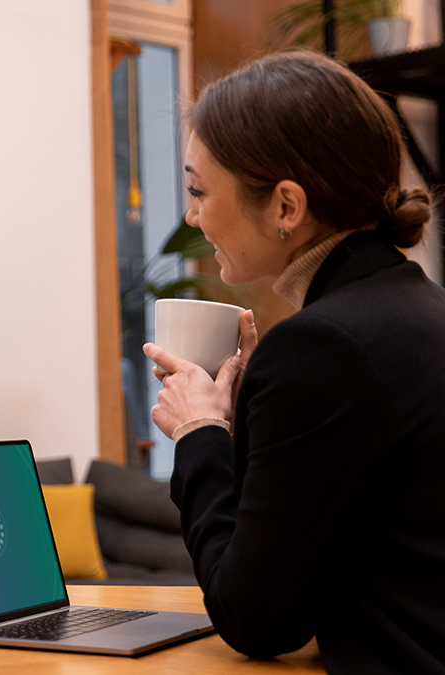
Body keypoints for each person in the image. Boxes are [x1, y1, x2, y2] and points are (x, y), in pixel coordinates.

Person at [143, 51, 445, 673]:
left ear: (286, 206)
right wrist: (258, 415)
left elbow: (256, 619)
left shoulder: (323, 347)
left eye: (199, 190)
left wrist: (201, 434)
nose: (192, 216)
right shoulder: (413, 310)